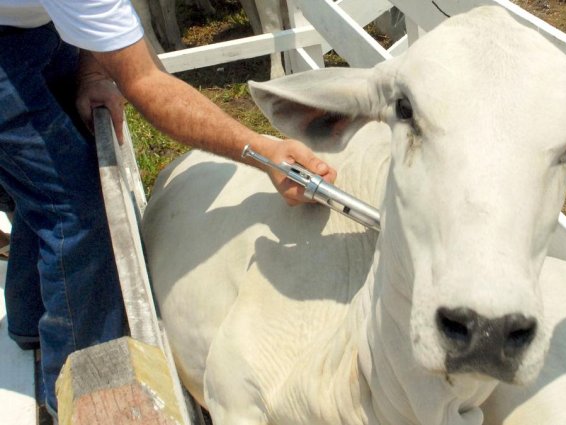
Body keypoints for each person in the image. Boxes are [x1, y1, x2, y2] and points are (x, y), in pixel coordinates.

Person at [0, 0, 337, 419]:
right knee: (77, 210)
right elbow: (145, 82)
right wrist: (264, 151)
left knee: (46, 181)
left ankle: (31, 321)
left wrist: (93, 69)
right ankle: (77, 390)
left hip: (32, 23)